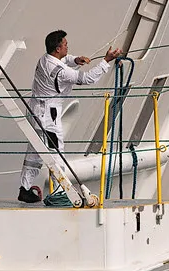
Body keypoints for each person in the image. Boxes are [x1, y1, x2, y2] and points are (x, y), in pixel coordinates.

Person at [18, 30, 122, 203]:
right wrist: (106, 61)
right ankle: (60, 192)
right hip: (48, 117)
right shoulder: (61, 72)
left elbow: (63, 60)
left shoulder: (44, 59)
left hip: (35, 111)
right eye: (65, 44)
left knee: (35, 152)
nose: (68, 46)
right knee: (56, 154)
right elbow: (87, 78)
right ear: (58, 48)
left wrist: (75, 59)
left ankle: (25, 188)